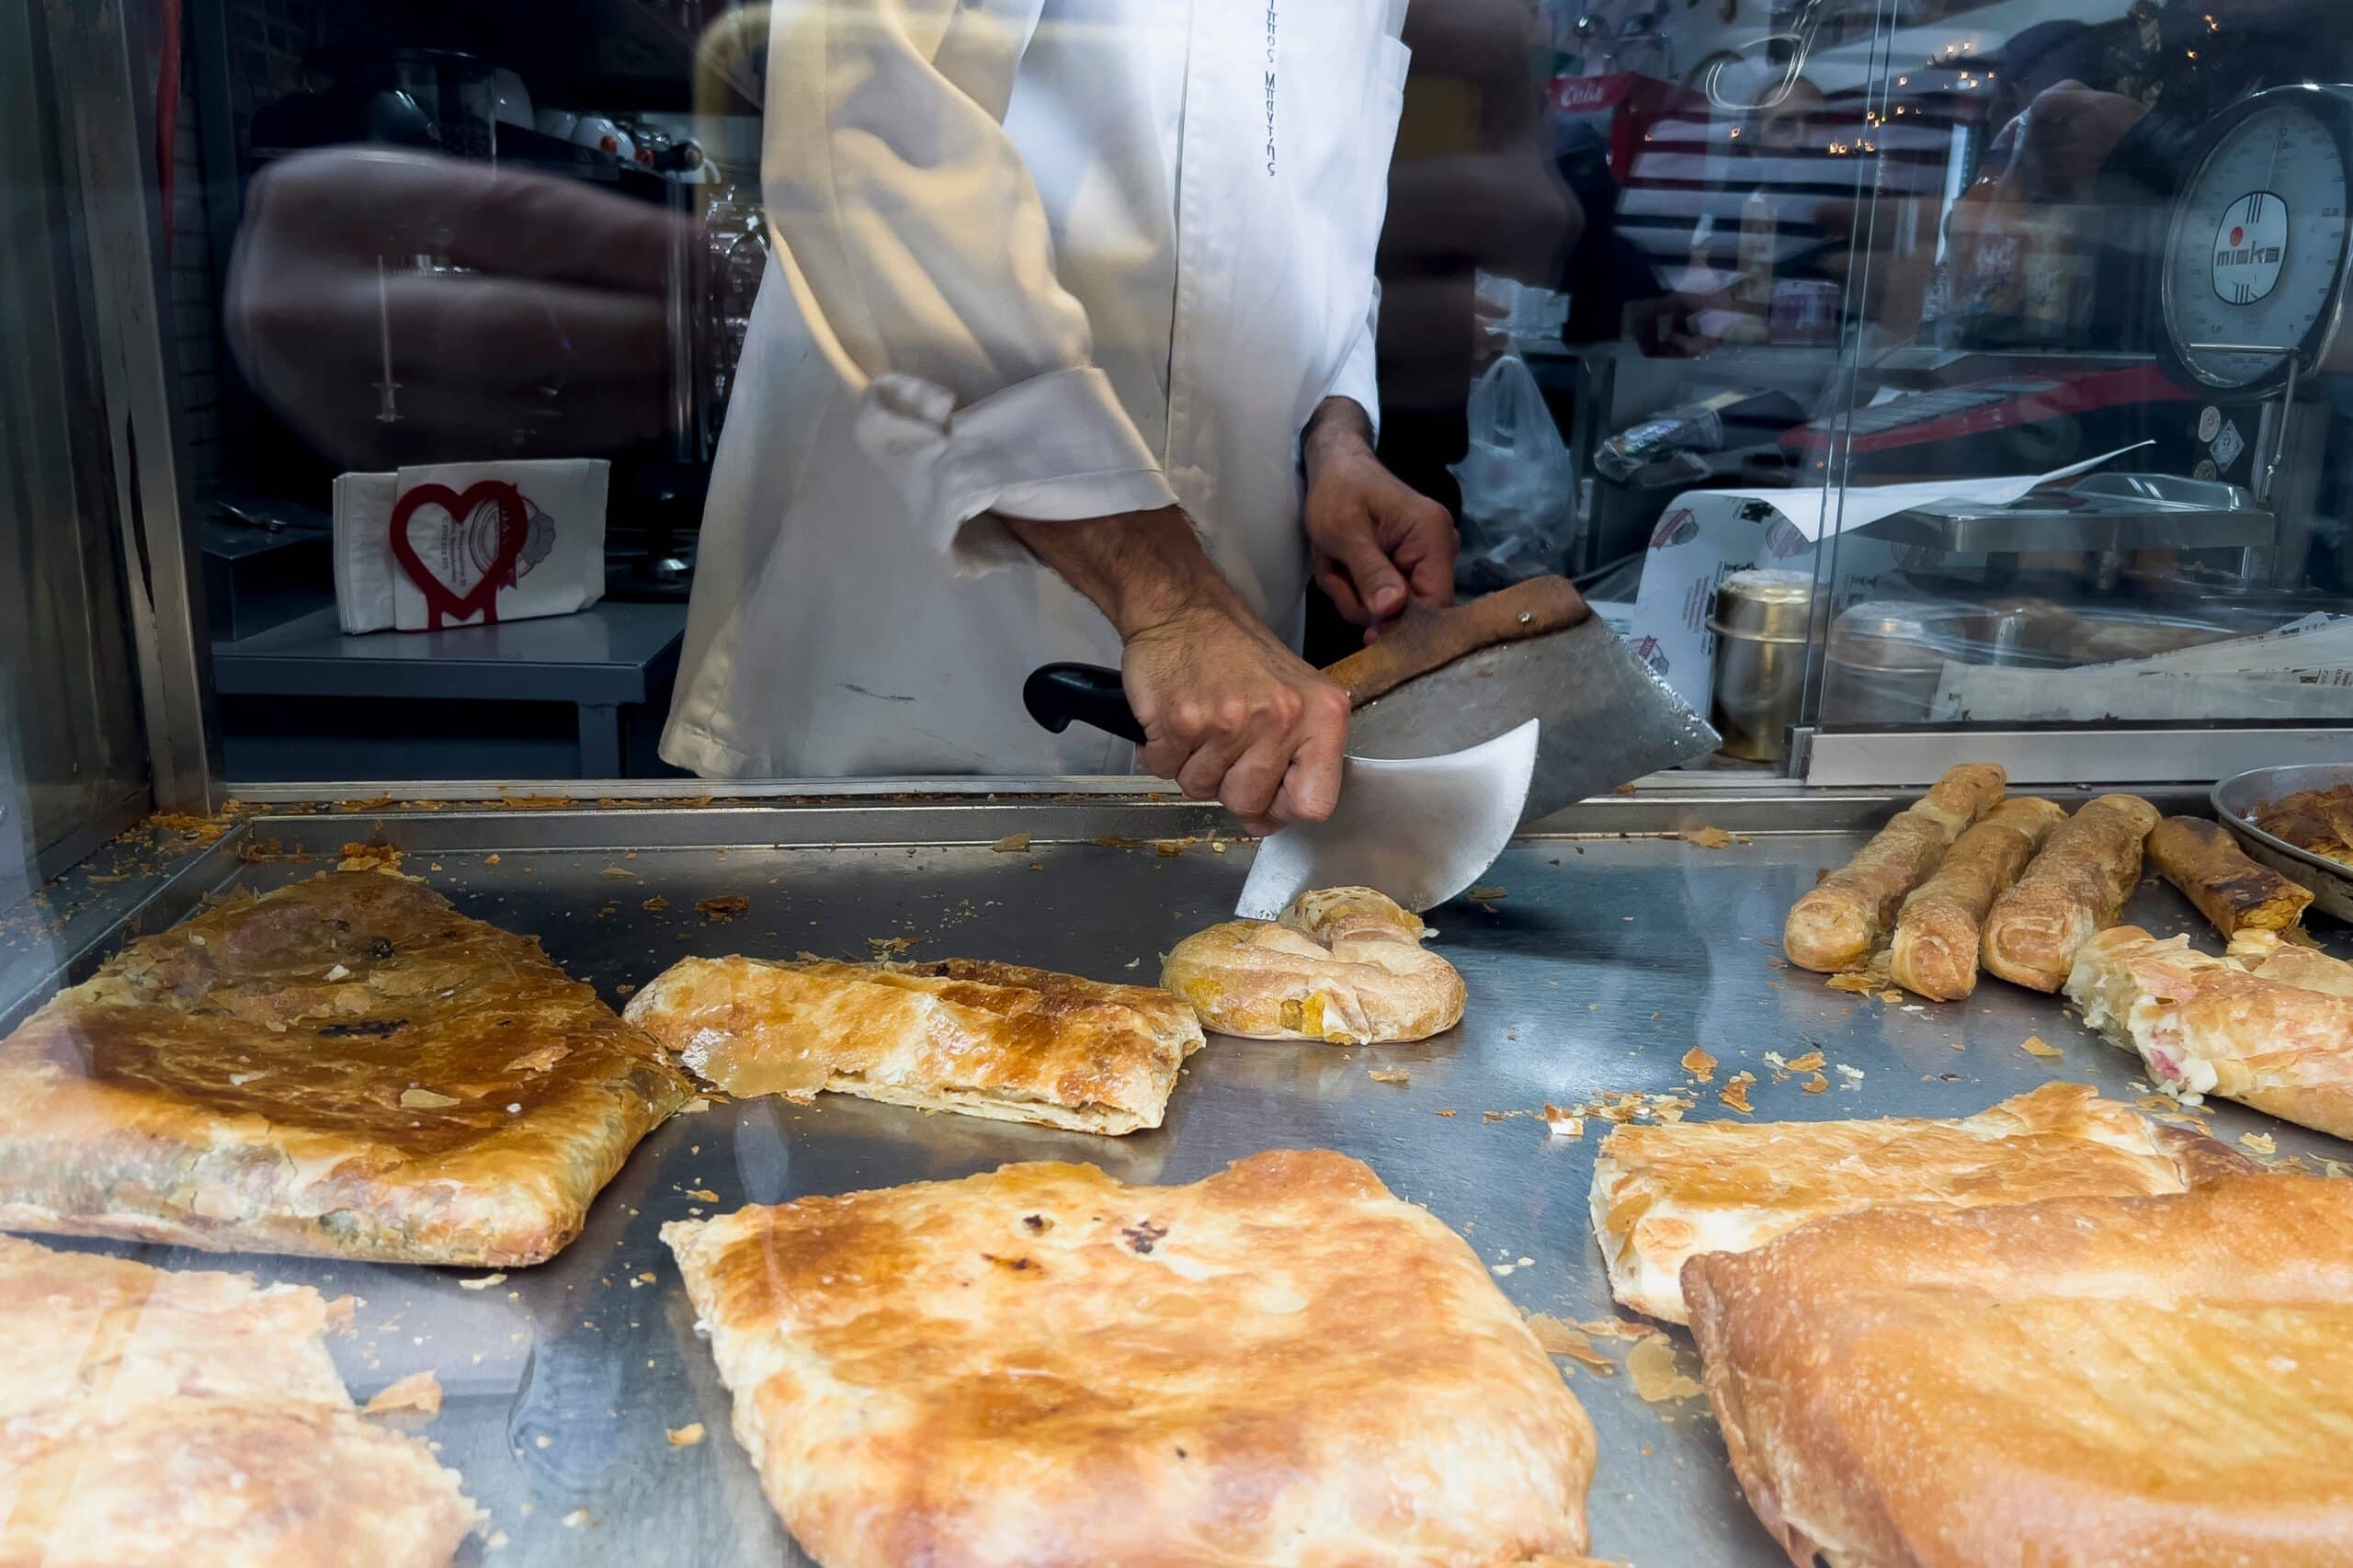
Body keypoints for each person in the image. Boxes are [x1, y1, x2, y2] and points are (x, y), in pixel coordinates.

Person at [658, 0, 1459, 832]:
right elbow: (866, 134)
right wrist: (1172, 599)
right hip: (908, 674)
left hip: (1226, 730)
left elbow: (1320, 231)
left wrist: (1336, 435)